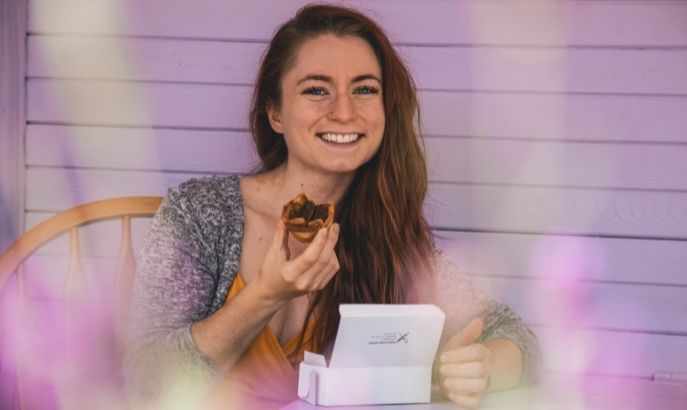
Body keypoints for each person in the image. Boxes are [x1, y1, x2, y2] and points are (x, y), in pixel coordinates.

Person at [124, 4, 541, 409]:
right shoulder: (198, 215)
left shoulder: (389, 231)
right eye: (316, 90)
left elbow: (514, 337)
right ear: (275, 113)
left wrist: (482, 368)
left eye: (364, 89)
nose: (343, 112)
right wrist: (266, 295)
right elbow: (144, 383)